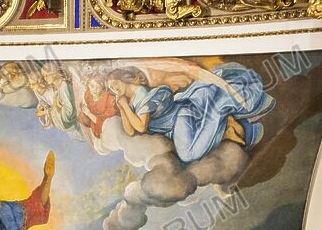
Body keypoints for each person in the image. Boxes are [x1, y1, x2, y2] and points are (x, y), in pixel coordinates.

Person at [105, 64, 274, 163]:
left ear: (125, 79)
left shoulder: (141, 94)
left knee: (188, 155)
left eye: (115, 84)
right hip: (173, 126)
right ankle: (231, 128)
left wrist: (125, 108)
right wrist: (122, 108)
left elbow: (141, 127)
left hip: (181, 116)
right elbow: (130, 131)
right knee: (187, 156)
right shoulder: (131, 101)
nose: (114, 90)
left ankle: (220, 112)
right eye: (111, 89)